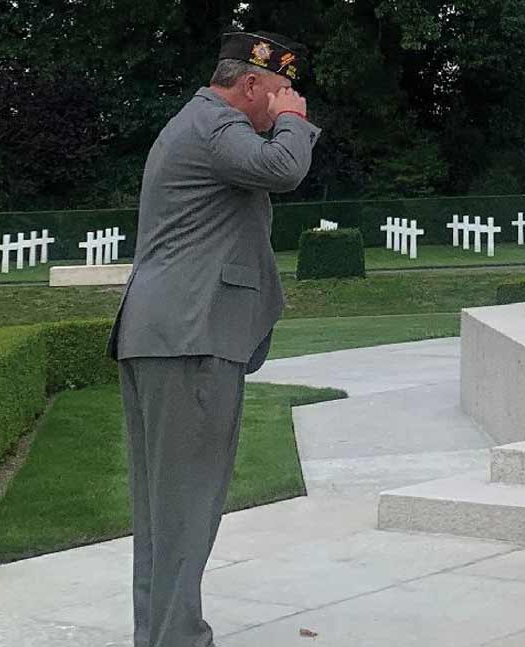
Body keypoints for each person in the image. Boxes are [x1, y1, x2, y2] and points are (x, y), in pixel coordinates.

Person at [106, 30, 321, 647]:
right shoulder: (217, 125)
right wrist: (295, 125)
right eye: (280, 91)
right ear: (249, 84)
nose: (287, 102)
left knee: (167, 507)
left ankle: (165, 635)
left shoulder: (199, 124)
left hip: (169, 330)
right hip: (189, 335)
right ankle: (176, 639)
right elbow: (283, 169)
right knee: (184, 506)